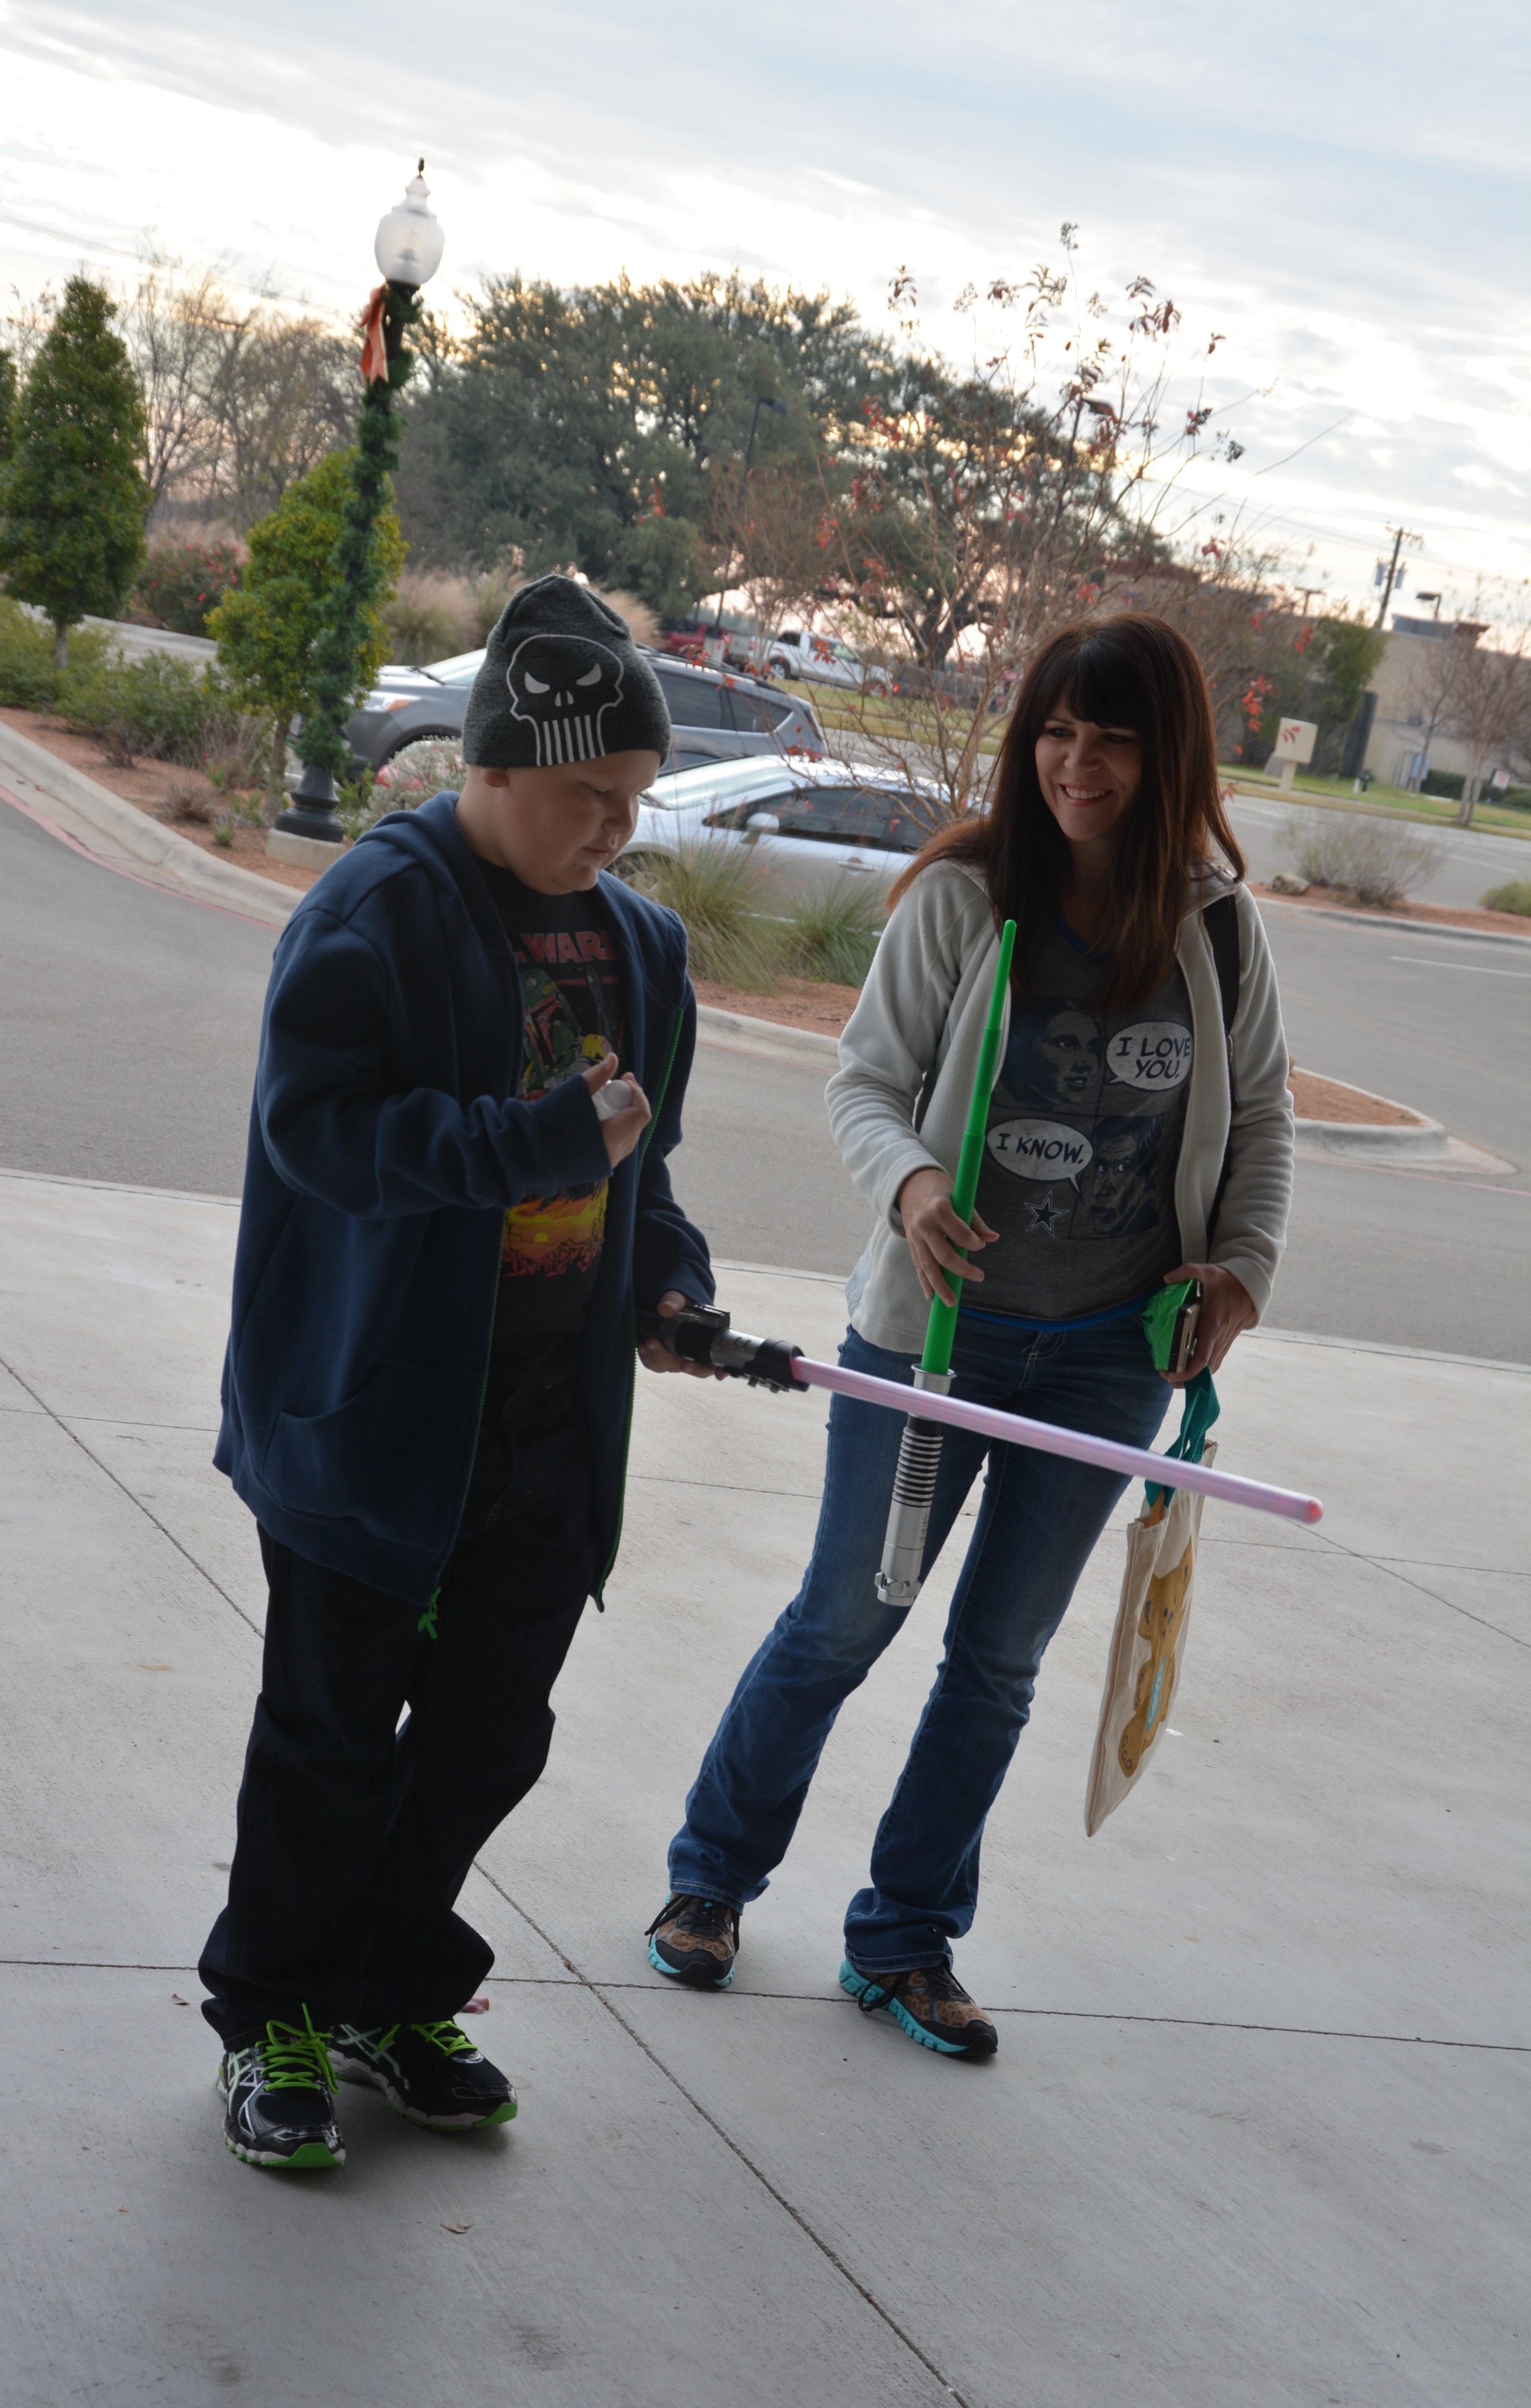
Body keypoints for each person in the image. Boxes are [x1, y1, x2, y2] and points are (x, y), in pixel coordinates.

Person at [646, 613, 1293, 2060]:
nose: (1077, 763)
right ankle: (710, 1882)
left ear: (1169, 751)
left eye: (1113, 738)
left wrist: (1240, 1271)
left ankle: (907, 1939)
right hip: (933, 1345)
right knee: (842, 1623)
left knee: (1000, 1660)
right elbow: (864, 1084)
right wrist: (915, 1181)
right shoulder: (964, 895)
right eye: (1057, 732)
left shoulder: (1218, 927)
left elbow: (1262, 1124)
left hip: (1115, 1357)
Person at [201, 577, 716, 2169]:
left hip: (550, 1428)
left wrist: (666, 1275)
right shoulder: (373, 913)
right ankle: (276, 2007)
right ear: (497, 762)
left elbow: (645, 1175)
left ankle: (387, 1982)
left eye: (637, 804)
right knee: (331, 1732)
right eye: (593, 798)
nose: (619, 834)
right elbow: (321, 1136)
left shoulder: (642, 948)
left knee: (493, 1731)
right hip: (375, 1415)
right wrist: (537, 1142)